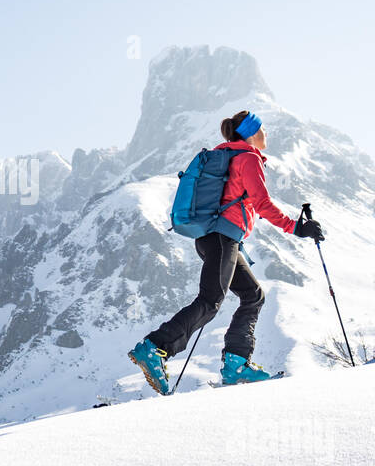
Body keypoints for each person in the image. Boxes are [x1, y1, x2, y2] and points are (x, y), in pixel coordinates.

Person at [128, 109, 325, 393]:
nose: (266, 134)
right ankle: (156, 347)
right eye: (263, 129)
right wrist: (296, 228)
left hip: (216, 238)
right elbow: (262, 203)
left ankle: (236, 364)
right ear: (253, 133)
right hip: (221, 238)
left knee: (252, 295)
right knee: (210, 300)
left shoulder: (231, 155)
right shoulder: (247, 158)